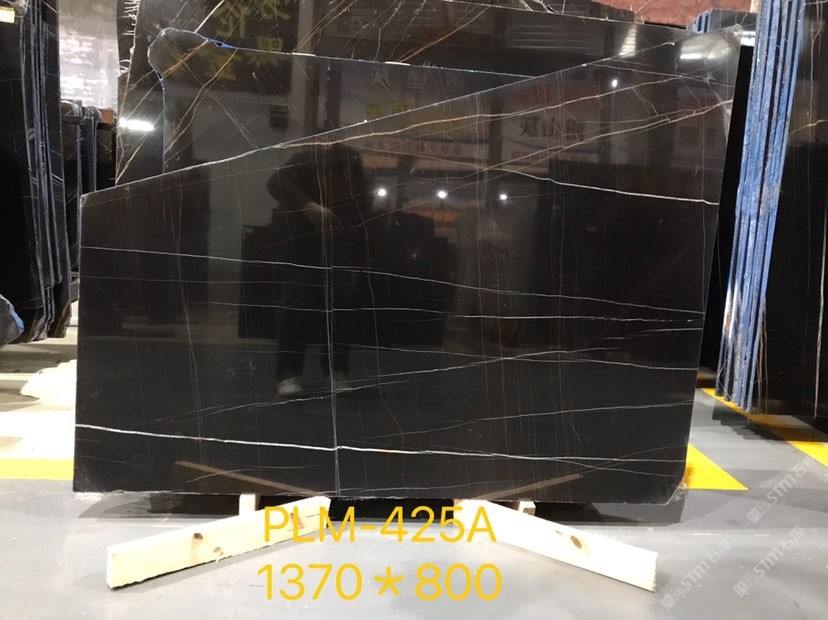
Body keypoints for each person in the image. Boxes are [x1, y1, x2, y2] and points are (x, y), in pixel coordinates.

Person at [267, 144, 370, 398]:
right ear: (324, 172)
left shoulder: (356, 177)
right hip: (299, 243)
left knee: (340, 309)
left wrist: (359, 253)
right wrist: (308, 205)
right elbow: (275, 182)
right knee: (295, 308)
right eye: (336, 181)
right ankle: (288, 374)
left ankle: (337, 371)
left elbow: (363, 213)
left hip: (338, 244)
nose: (341, 188)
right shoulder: (306, 162)